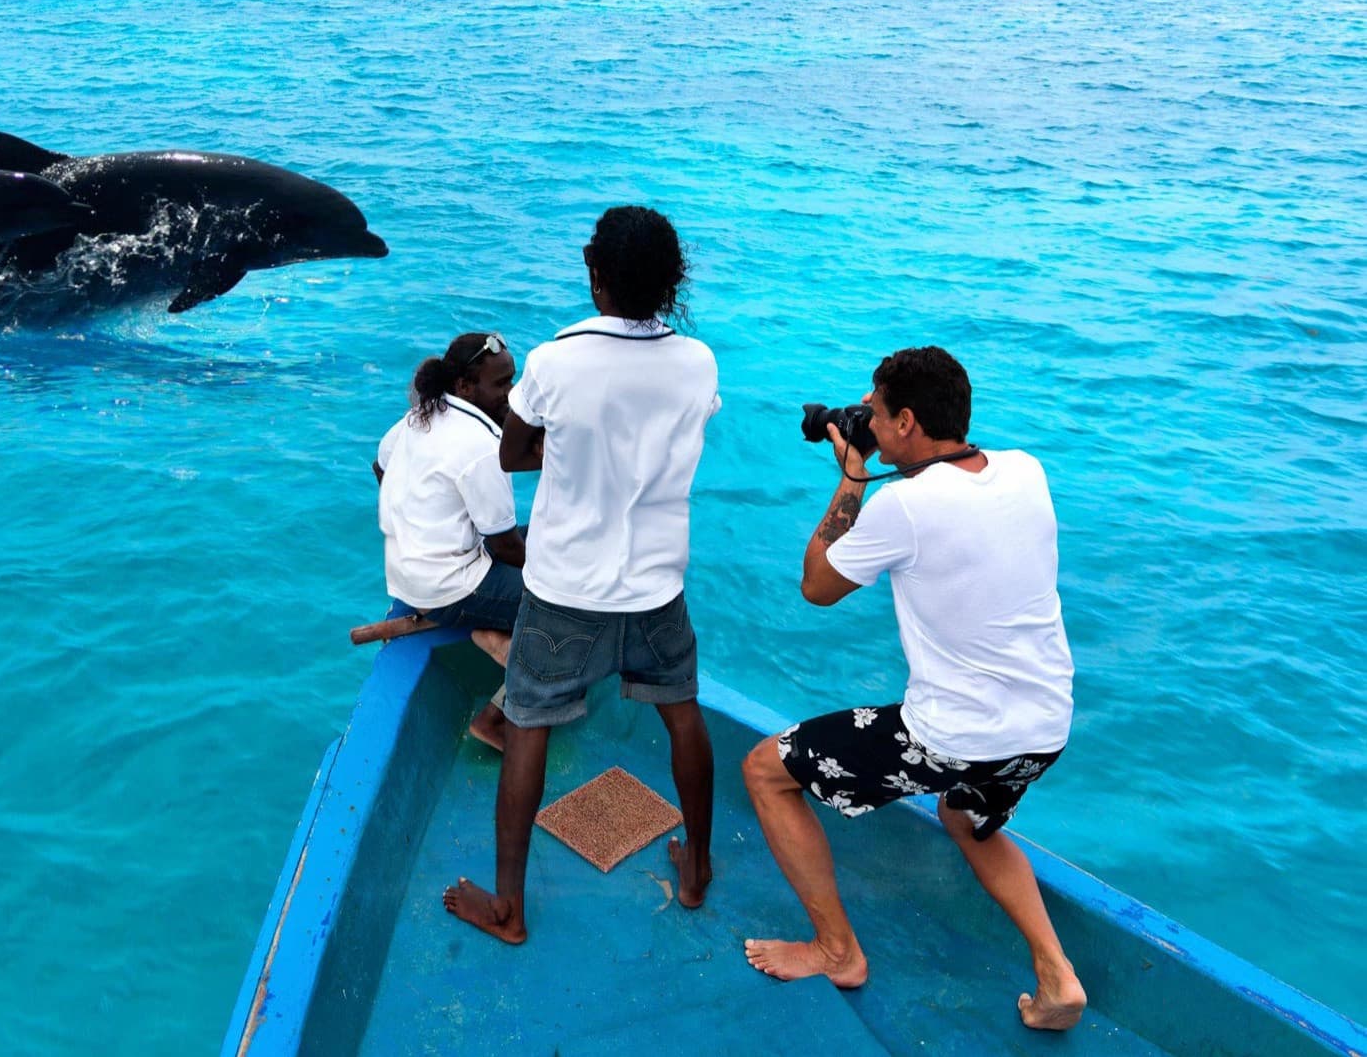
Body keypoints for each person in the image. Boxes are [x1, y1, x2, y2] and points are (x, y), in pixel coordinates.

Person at [740, 345, 1087, 1031]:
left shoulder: (903, 504)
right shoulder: (1026, 469)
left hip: (954, 736)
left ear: (905, 422)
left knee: (765, 771)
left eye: (875, 411)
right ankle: (1056, 972)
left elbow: (817, 586)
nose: (867, 421)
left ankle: (837, 951)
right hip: (1044, 727)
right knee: (965, 816)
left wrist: (852, 476)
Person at [443, 206, 720, 944]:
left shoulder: (556, 360)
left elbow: (512, 453)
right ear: (670, 282)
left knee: (527, 724)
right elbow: (676, 433)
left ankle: (509, 910)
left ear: (596, 276)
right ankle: (696, 871)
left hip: (565, 589)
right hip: (657, 586)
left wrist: (567, 449)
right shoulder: (698, 361)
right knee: (683, 713)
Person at [376, 331, 528, 750]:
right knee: (566, 605)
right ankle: (497, 718)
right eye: (501, 383)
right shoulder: (482, 446)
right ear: (464, 386)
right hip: (450, 588)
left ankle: (488, 629)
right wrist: (561, 581)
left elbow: (380, 463)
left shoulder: (419, 416)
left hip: (411, 576)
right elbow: (506, 548)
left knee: (548, 540)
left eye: (513, 380)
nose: (511, 393)